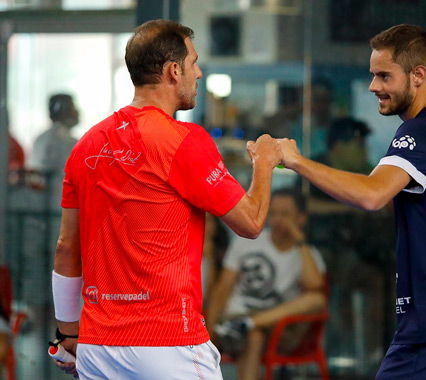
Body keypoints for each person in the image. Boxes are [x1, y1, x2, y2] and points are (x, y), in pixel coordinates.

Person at [50, 19, 282, 380]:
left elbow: (66, 247)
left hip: (98, 348)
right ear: (174, 71)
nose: (199, 73)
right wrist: (264, 162)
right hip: (169, 344)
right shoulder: (183, 140)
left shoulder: (86, 146)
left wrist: (67, 333)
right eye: (194, 63)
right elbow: (251, 222)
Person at [277, 24, 426, 379]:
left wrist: (295, 160)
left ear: (418, 75)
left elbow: (372, 194)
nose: (373, 87)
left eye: (384, 76)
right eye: (372, 75)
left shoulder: (422, 131)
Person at [206, 188, 326, 380]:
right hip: (235, 320)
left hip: (279, 326)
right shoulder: (246, 241)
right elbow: (222, 288)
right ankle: (248, 323)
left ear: (301, 219)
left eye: (285, 214)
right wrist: (210, 331)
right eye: (274, 213)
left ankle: (251, 323)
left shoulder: (307, 254)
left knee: (316, 299)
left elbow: (315, 288)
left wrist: (299, 239)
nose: (278, 219)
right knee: (253, 336)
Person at [28, 94, 79, 202]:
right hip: (59, 207)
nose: (77, 112)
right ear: (63, 110)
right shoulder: (66, 141)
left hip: (40, 206)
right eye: (73, 107)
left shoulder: (41, 138)